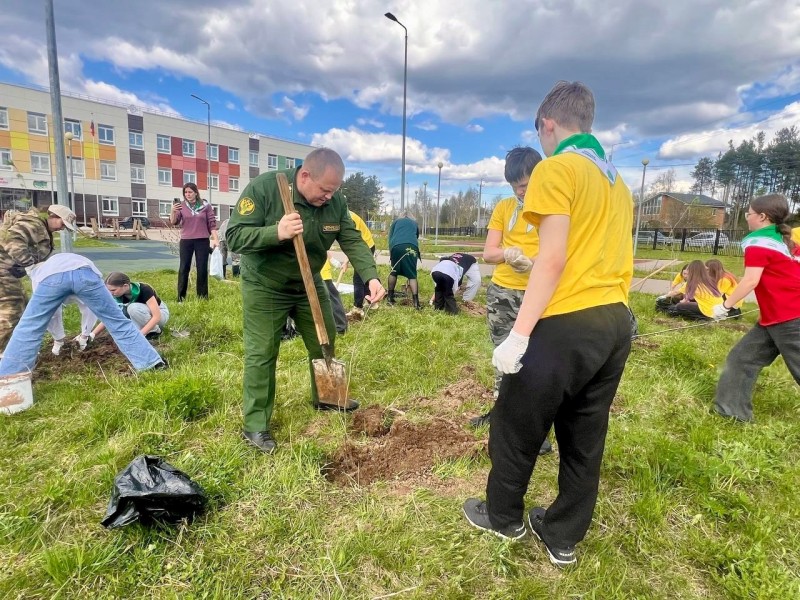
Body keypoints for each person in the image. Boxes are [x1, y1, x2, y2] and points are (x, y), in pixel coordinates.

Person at [463, 81, 633, 568]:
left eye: (540, 133)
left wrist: (519, 335)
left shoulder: (557, 168)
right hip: (614, 321)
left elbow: (552, 258)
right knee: (585, 432)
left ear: (548, 124)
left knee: (515, 423)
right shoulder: (616, 180)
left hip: (565, 321)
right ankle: (563, 537)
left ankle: (503, 518)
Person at [226, 147, 386, 454]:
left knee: (324, 338)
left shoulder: (335, 202)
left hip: (309, 282)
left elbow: (351, 238)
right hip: (266, 285)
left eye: (334, 191)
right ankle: (256, 425)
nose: (329, 197)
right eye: (325, 190)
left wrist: (371, 276)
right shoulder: (265, 189)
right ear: (304, 176)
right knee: (262, 352)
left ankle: (327, 397)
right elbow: (234, 237)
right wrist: (277, 232)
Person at [0, 253, 166, 377]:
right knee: (118, 321)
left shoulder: (39, 273)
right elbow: (92, 309)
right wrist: (87, 333)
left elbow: (50, 315)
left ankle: (9, 376)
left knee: (30, 326)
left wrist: (60, 338)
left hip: (54, 278)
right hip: (86, 273)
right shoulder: (67, 261)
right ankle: (151, 364)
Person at [713, 194, 800, 422]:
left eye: (748, 214)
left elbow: (751, 280)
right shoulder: (782, 240)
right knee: (741, 359)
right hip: (774, 317)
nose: (747, 218)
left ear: (762, 217)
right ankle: (732, 413)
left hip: (790, 317)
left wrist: (725, 306)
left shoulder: (758, 242)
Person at [0, 204, 76, 351]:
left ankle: (13, 348)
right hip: (3, 271)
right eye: (62, 223)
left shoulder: (42, 228)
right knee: (12, 309)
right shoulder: (34, 224)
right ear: (53, 216)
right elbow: (11, 239)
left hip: (9, 273)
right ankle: (4, 355)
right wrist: (28, 265)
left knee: (22, 305)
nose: (62, 228)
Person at [170, 183, 219, 301]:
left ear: (196, 193)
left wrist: (216, 239)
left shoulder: (206, 206)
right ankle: (180, 298)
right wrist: (172, 210)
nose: (188, 194)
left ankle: (202, 297)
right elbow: (174, 222)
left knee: (202, 268)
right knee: (184, 268)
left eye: (190, 192)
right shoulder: (181, 206)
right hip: (186, 241)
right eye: (186, 192)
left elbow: (211, 224)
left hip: (202, 241)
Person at [91, 272, 170, 340]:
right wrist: (92, 335)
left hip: (160, 314)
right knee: (123, 311)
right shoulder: (117, 295)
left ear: (125, 286)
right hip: (141, 314)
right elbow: (110, 316)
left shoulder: (144, 289)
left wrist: (139, 335)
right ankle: (143, 330)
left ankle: (155, 331)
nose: (110, 293)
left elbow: (157, 316)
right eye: (108, 290)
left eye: (113, 290)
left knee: (133, 308)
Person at [657, 260, 724, 321]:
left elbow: (676, 293)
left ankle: (704, 318)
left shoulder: (692, 282)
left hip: (709, 310)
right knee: (684, 304)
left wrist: (662, 297)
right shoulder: (709, 280)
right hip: (720, 309)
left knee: (679, 306)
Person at [346, 210, 376, 318]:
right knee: (363, 277)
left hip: (365, 246)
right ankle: (371, 301)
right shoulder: (347, 214)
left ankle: (358, 307)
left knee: (358, 279)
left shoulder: (347, 217)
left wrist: (346, 261)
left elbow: (352, 242)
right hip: (367, 244)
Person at [387, 214, 421, 309]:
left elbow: (390, 238)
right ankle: (416, 303)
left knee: (393, 271)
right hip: (412, 246)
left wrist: (391, 254)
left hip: (396, 246)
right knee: (412, 274)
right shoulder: (414, 223)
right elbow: (416, 236)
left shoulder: (395, 222)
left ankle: (390, 298)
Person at [321, 255, 348, 334]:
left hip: (321, 273)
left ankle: (341, 326)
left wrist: (331, 259)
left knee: (332, 300)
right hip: (315, 273)